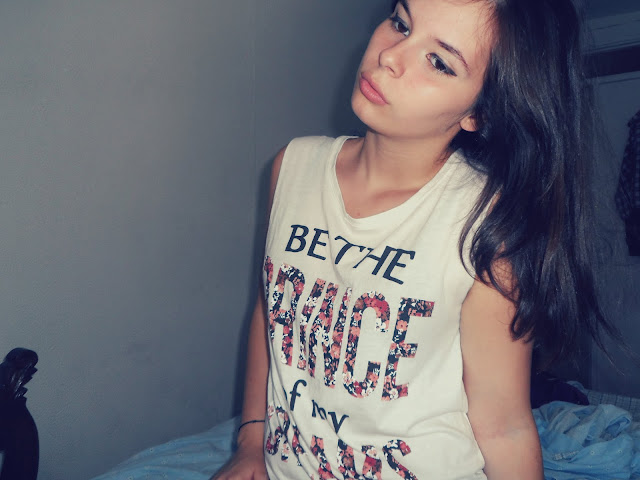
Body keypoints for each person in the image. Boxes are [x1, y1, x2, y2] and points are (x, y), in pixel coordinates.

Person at [213, 0, 614, 478]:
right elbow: (272, 311)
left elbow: (503, 425)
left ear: (479, 113)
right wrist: (251, 440)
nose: (390, 56)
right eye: (401, 23)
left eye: (439, 62)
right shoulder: (292, 168)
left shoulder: (486, 223)